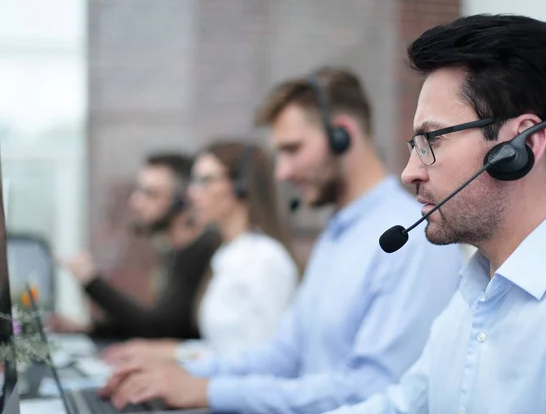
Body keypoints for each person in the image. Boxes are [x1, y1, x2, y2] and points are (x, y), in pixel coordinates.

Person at [98, 66, 464, 413]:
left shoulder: (409, 236)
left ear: (342, 135)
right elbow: (284, 355)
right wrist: (182, 375)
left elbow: (373, 389)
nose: (283, 172)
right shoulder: (338, 233)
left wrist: (209, 390)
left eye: (292, 149)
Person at [314, 14, 546, 414]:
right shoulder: (473, 294)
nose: (409, 171)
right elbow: (402, 407)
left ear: (523, 145)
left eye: (432, 139)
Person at [99, 140, 299, 363]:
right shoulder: (228, 254)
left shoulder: (263, 259)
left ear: (241, 186)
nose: (192, 193)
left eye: (205, 181)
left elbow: (264, 361)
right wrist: (171, 353)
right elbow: (225, 349)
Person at [47, 153, 222, 339]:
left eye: (151, 193)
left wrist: (91, 282)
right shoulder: (175, 251)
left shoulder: (203, 250)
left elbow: (160, 330)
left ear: (183, 202)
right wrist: (88, 329)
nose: (136, 202)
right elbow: (160, 323)